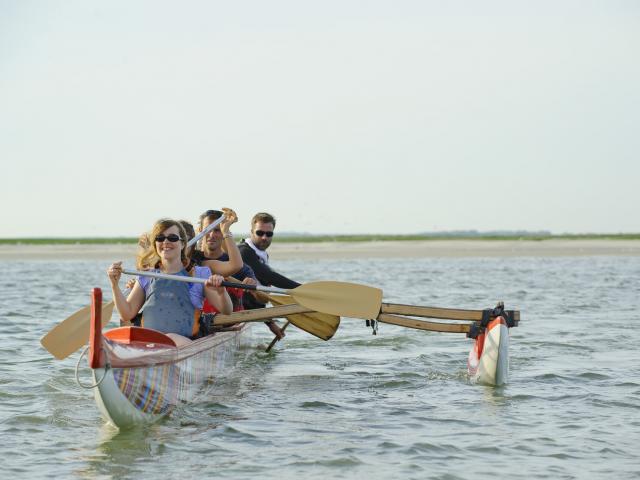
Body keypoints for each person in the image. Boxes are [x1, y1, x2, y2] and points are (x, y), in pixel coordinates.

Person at [107, 219, 233, 347]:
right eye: (160, 238)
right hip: (150, 343)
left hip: (185, 343)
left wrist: (221, 292)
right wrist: (114, 285)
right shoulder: (146, 276)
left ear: (183, 244)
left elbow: (227, 310)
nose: (165, 242)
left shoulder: (200, 275)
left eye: (172, 238)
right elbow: (126, 313)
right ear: (155, 244)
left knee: (170, 338)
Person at [193, 209, 285, 339]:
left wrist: (270, 323)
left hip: (227, 325)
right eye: (208, 229)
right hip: (196, 324)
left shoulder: (242, 269)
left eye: (217, 230)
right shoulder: (191, 261)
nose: (212, 235)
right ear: (199, 231)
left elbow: (262, 300)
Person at [238, 212, 300, 310]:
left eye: (269, 234)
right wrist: (301, 289)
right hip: (238, 308)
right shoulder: (244, 252)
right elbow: (268, 276)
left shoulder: (261, 253)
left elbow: (263, 284)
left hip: (253, 307)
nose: (264, 237)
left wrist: (271, 324)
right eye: (260, 233)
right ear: (251, 232)